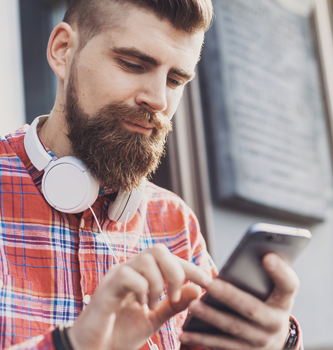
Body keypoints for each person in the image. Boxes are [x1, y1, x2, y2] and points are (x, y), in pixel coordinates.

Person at [0, 0, 303, 349]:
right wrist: (73, 344)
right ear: (63, 50)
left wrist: (279, 339)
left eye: (175, 80)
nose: (159, 99)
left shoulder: (175, 221)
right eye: (133, 64)